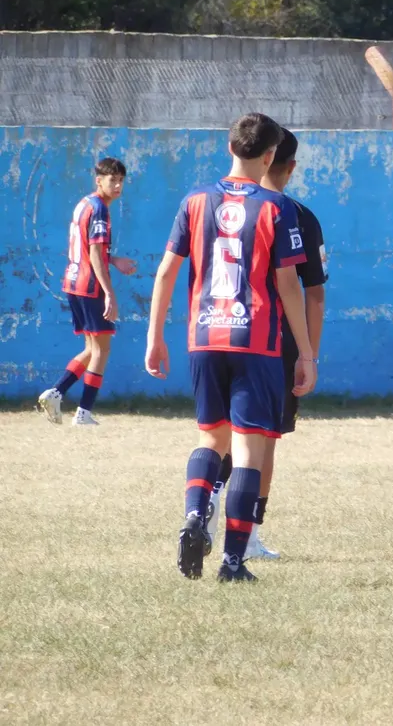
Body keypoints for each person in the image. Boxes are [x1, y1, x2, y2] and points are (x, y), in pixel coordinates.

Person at [145, 113, 317, 582]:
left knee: (209, 438)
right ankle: (233, 561)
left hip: (204, 338)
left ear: (229, 147)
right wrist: (305, 352)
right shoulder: (274, 208)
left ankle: (196, 514)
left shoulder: (195, 200)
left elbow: (165, 272)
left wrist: (155, 336)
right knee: (247, 450)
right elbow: (288, 284)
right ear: (269, 156)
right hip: (256, 342)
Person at [204, 128, 328, 561]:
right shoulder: (294, 214)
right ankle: (248, 535)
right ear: (288, 165)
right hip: (273, 342)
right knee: (263, 440)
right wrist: (308, 352)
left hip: (218, 331)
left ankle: (207, 502)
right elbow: (311, 291)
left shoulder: (214, 202)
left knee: (217, 435)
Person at [37, 158, 136, 426]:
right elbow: (93, 253)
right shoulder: (101, 210)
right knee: (102, 349)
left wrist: (113, 260)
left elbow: (90, 247)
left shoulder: (85, 204)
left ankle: (56, 393)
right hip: (90, 286)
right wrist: (109, 293)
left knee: (93, 347)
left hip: (73, 283)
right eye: (111, 180)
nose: (116, 185)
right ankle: (84, 412)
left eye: (120, 181)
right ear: (98, 180)